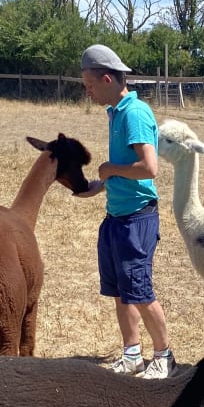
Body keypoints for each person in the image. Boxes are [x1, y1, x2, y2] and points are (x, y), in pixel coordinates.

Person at [76, 44, 176, 379]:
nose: (88, 93)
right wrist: (100, 184)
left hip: (137, 219)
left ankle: (164, 355)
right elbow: (123, 168)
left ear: (106, 79)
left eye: (90, 86)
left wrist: (110, 170)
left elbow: (149, 168)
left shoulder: (134, 113)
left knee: (140, 290)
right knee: (121, 290)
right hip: (116, 217)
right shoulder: (116, 112)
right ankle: (132, 354)